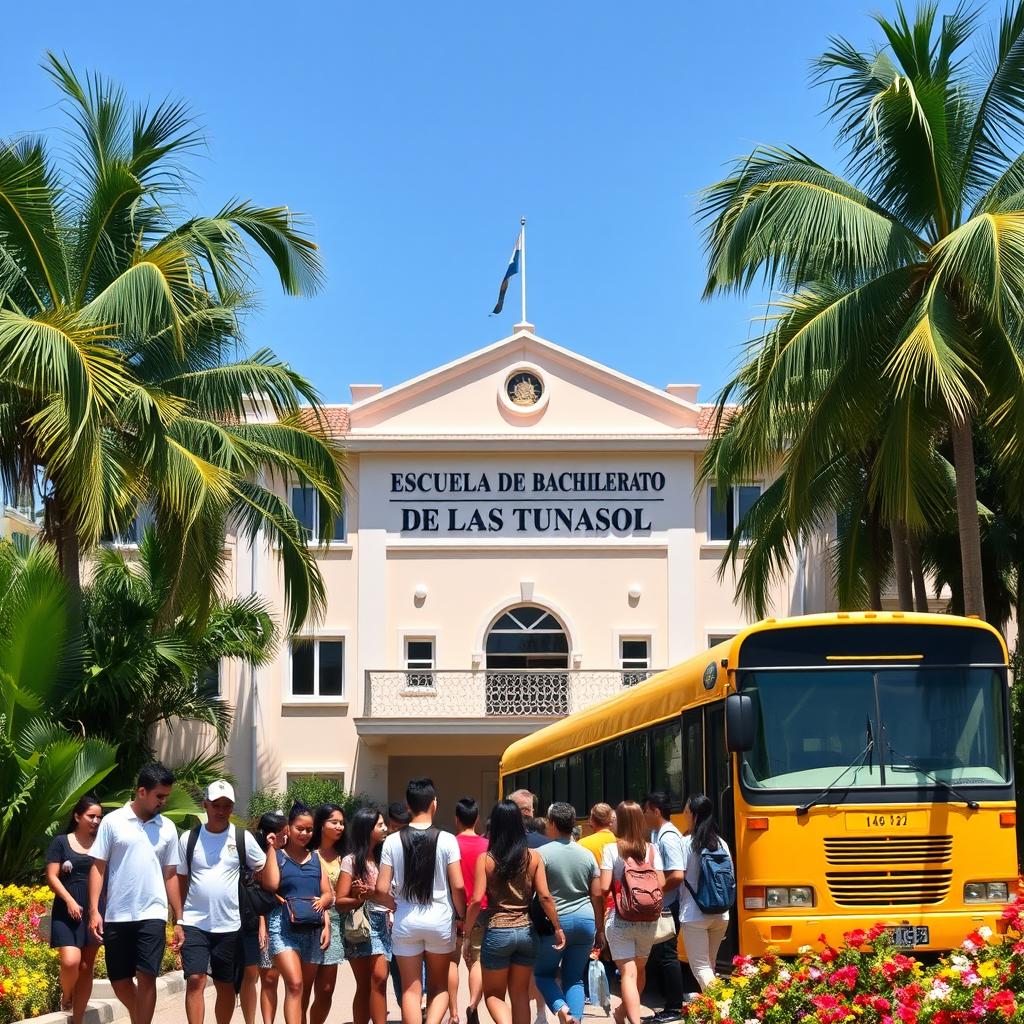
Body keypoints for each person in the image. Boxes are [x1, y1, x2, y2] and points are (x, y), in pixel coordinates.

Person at [88, 762, 181, 1024]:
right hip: (117, 914)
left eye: (166, 796)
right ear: (142, 791)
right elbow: (98, 867)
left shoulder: (168, 828)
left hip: (153, 913)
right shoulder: (112, 821)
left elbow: (171, 874)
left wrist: (179, 916)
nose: (163, 801)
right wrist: (95, 910)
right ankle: (140, 1017)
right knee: (119, 981)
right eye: (159, 796)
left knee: (147, 975)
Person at [374, 778, 467, 1024]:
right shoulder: (447, 839)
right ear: (434, 803)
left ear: (408, 805)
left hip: (405, 920)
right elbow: (458, 885)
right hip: (440, 919)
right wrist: (462, 916)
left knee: (410, 990)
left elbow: (381, 888)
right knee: (439, 987)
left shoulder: (392, 841)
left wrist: (395, 905)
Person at [176, 780, 268, 1024]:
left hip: (230, 924)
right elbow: (181, 879)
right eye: (216, 804)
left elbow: (262, 868)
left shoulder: (242, 838)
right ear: (205, 805)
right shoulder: (189, 838)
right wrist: (179, 917)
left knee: (225, 985)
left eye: (227, 805)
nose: (221, 810)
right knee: (195, 979)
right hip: (195, 922)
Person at [465, 800, 563, 1024]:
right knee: (519, 995)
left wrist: (468, 935)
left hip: (498, 931)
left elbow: (477, 900)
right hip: (527, 932)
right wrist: (557, 927)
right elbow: (546, 897)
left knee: (493, 995)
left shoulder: (486, 860)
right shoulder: (533, 857)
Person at [260, 802, 333, 1024]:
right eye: (299, 828)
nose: (304, 833)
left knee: (303, 990)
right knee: (295, 984)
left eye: (309, 830)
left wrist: (325, 912)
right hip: (282, 929)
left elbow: (328, 894)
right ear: (287, 829)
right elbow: (271, 885)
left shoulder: (316, 859)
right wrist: (272, 848)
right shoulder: (278, 856)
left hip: (313, 930)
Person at [535, 803, 604, 1024]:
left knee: (543, 974)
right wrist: (600, 928)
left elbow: (539, 894)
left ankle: (562, 1010)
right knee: (574, 978)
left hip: (556, 922)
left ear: (552, 823)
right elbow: (597, 895)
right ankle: (575, 1019)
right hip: (586, 920)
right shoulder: (587, 855)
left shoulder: (540, 854)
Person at [599, 801, 666, 1024]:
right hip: (648, 920)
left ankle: (634, 1022)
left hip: (621, 918)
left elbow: (602, 887)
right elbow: (662, 882)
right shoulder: (652, 850)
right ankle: (621, 1014)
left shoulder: (611, 849)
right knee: (638, 971)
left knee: (628, 974)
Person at [45, 795, 103, 1024]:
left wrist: (97, 909)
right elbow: (51, 876)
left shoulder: (102, 843)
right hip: (66, 909)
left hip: (94, 909)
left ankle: (77, 1019)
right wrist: (69, 900)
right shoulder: (61, 842)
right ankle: (67, 995)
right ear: (77, 816)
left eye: (99, 817)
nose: (96, 821)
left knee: (86, 966)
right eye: (91, 816)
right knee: (70, 961)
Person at [337, 806, 391, 1024]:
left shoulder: (386, 858)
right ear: (367, 829)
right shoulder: (350, 861)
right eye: (380, 825)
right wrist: (362, 897)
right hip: (361, 926)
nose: (385, 828)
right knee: (365, 984)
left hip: (384, 924)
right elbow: (339, 902)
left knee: (379, 980)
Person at [677, 795, 732, 994]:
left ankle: (723, 1005)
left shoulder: (686, 844)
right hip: (721, 913)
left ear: (694, 815)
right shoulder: (722, 844)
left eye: (685, 811)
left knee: (700, 967)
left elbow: (677, 876)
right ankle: (710, 1010)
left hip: (695, 913)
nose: (684, 815)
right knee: (710, 964)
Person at [642, 792, 687, 1023]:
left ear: (656, 811)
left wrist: (657, 892)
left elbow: (677, 874)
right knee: (662, 955)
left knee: (668, 955)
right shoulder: (657, 833)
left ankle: (673, 1008)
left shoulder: (667, 836)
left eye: (646, 811)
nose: (644, 815)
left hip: (669, 904)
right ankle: (669, 1004)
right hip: (666, 902)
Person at [240, 811, 287, 1024]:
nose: (287, 838)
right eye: (283, 834)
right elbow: (260, 893)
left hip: (283, 923)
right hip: (262, 922)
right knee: (266, 977)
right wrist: (262, 923)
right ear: (272, 835)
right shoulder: (257, 856)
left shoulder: (286, 854)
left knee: (279, 978)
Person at [308, 804, 348, 1024]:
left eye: (342, 822)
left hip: (337, 921)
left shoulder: (346, 856)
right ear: (321, 825)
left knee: (325, 989)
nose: (340, 826)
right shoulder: (309, 855)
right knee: (304, 987)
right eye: (334, 822)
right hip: (310, 922)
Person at [451, 797, 487, 1024]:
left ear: (456, 820)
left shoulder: (450, 844)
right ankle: (473, 1004)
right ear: (477, 819)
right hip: (481, 910)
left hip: (454, 912)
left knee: (451, 962)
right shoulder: (487, 845)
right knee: (476, 962)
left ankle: (453, 1013)